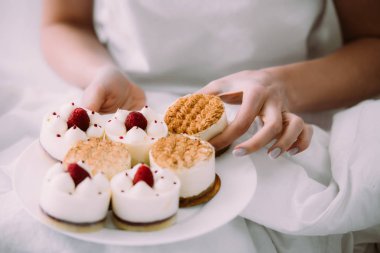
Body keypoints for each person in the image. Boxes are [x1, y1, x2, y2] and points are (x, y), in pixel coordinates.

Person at [40, 0, 380, 160]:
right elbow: (65, 22)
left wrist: (282, 85)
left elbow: (372, 45)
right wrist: (98, 72)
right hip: (123, 109)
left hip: (279, 117)